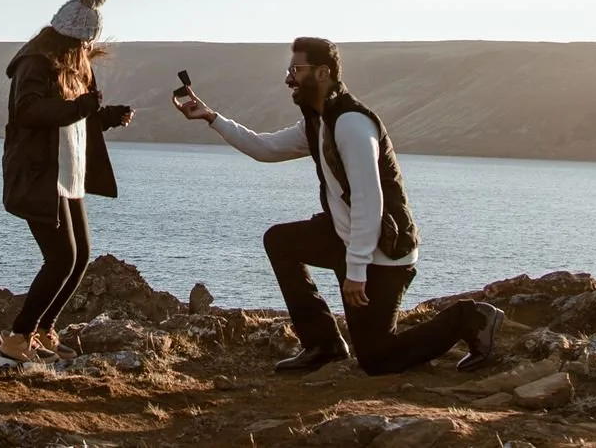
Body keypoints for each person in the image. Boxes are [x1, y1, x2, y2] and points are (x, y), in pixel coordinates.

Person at [173, 36, 504, 376]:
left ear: (322, 72)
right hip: (346, 238)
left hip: (382, 251)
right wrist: (211, 117)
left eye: (296, 70)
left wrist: (357, 271)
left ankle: (470, 318)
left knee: (377, 359)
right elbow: (265, 148)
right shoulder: (318, 121)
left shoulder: (351, 124)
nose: (289, 79)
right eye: (289, 70)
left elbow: (368, 199)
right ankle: (323, 344)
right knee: (280, 240)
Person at [0, 0, 135, 366]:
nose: (89, 51)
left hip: (69, 174)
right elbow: (28, 112)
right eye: (85, 44)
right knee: (61, 259)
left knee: (80, 257)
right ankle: (16, 341)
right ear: (69, 40)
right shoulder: (34, 65)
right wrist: (81, 108)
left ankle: (43, 332)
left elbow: (76, 118)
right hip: (40, 175)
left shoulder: (77, 67)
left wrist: (105, 117)